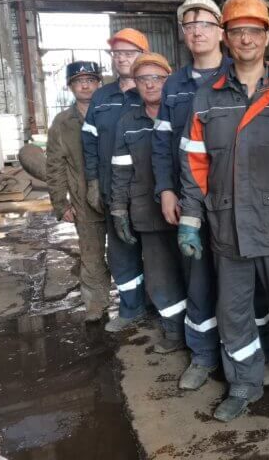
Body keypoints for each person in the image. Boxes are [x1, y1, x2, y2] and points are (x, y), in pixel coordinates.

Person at [178, 0, 269, 426]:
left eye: (254, 31)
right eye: (238, 31)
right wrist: (190, 219)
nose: (246, 39)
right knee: (233, 312)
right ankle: (243, 384)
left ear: (266, 37)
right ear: (226, 37)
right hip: (227, 226)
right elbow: (193, 162)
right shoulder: (207, 97)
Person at [151, 0, 269, 391]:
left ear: (220, 32)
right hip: (191, 198)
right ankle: (204, 355)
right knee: (199, 280)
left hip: (237, 203)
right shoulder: (174, 85)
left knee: (246, 287)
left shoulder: (238, 72)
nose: (198, 32)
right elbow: (164, 144)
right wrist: (166, 190)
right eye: (190, 26)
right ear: (183, 33)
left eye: (205, 24)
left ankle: (257, 355)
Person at [110, 53, 188, 354]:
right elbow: (120, 170)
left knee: (196, 275)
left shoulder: (184, 114)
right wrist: (119, 208)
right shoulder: (128, 122)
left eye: (157, 78)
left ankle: (203, 336)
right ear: (136, 84)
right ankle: (174, 330)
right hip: (148, 212)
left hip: (188, 209)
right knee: (160, 277)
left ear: (169, 80)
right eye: (143, 79)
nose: (150, 84)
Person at [82, 28, 148, 332]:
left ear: (143, 56)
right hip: (113, 191)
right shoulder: (101, 97)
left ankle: (162, 308)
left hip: (149, 192)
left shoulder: (153, 91)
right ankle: (131, 308)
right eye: (117, 53)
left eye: (129, 53)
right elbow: (89, 142)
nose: (121, 58)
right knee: (121, 254)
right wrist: (93, 182)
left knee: (159, 254)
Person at [46, 61, 111, 322]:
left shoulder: (112, 112)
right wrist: (61, 204)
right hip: (83, 201)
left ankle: (137, 301)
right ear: (70, 87)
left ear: (99, 84)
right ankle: (95, 303)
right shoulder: (63, 122)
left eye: (90, 80)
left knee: (126, 254)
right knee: (91, 254)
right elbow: (55, 165)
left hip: (117, 195)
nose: (85, 85)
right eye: (78, 81)